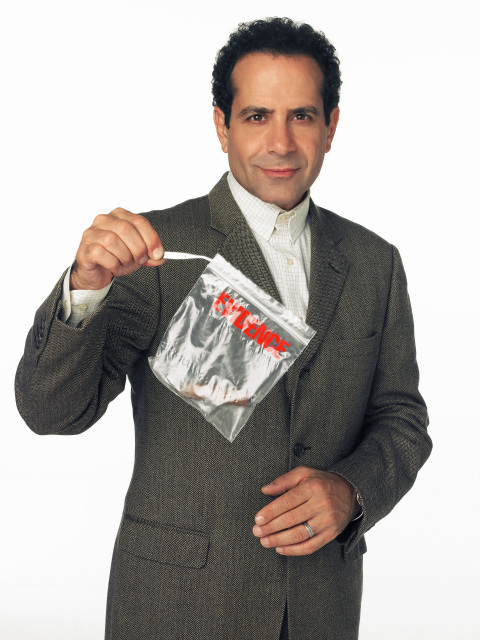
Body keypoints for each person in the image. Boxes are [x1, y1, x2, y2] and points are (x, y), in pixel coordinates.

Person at [15, 17, 432, 640]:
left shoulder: (376, 263)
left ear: (331, 126)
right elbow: (50, 411)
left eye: (302, 116)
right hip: (176, 606)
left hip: (320, 605)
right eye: (257, 116)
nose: (281, 143)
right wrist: (85, 286)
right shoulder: (151, 251)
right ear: (222, 126)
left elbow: (401, 418)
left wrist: (351, 490)